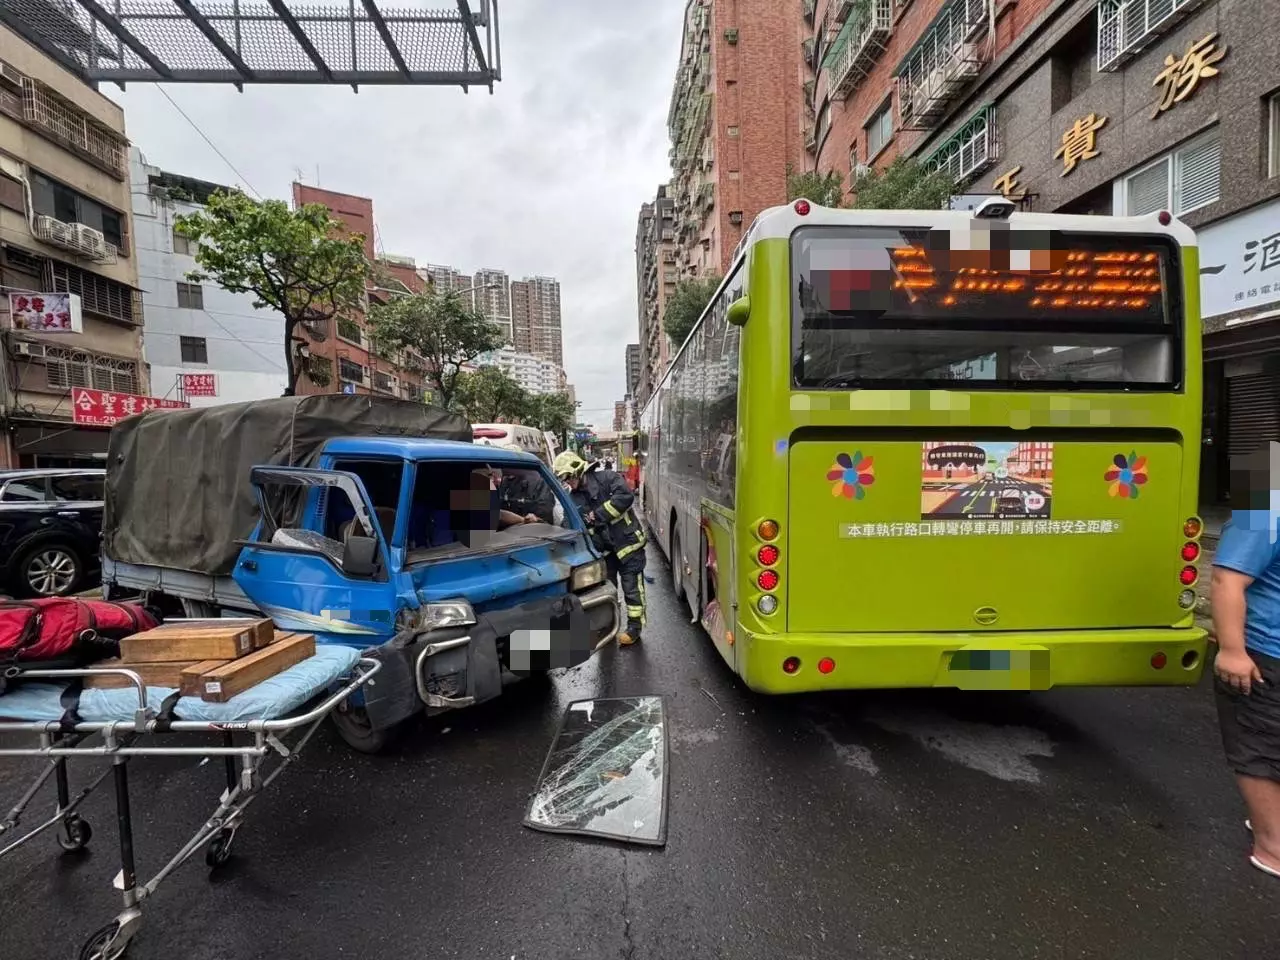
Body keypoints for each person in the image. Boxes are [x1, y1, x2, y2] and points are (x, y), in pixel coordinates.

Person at [1212, 447, 1280, 879]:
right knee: (1261, 746)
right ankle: (1272, 846)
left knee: (1264, 746)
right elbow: (1225, 579)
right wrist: (1234, 651)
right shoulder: (1266, 500)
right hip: (1265, 652)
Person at [553, 450, 646, 645]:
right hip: (605, 552)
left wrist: (598, 515)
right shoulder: (574, 498)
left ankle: (634, 629)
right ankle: (608, 627)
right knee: (607, 592)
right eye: (564, 479)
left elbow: (625, 497)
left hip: (629, 546)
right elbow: (570, 523)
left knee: (632, 590)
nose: (567, 482)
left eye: (568, 478)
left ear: (577, 471)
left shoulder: (608, 478)